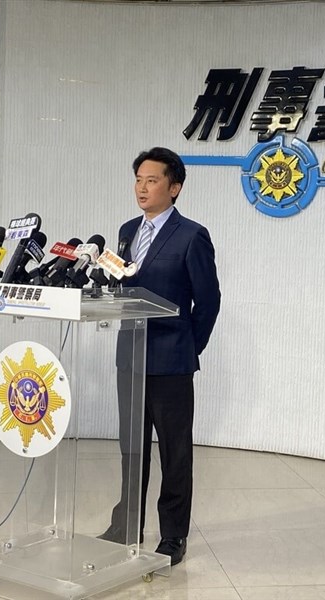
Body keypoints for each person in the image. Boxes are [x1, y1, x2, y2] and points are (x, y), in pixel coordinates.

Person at [100, 147, 221, 566]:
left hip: (171, 362)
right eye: (138, 179)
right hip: (130, 357)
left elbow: (208, 301)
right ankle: (127, 524)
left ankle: (173, 535)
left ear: (174, 187)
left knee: (174, 452)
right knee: (131, 448)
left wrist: (189, 346)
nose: (142, 188)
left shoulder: (191, 235)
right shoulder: (126, 231)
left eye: (152, 180)